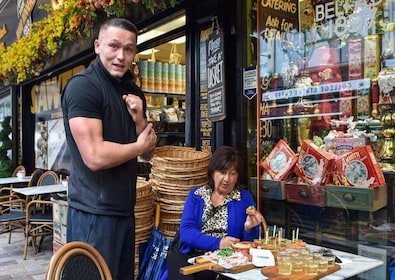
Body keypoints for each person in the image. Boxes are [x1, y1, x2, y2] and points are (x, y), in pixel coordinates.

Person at [61, 17, 157, 279]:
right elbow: (94, 156)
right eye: (113, 46)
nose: (121, 56)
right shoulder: (84, 87)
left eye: (128, 49)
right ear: (97, 46)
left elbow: (148, 152)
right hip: (93, 212)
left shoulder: (132, 91)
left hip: (124, 212)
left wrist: (139, 121)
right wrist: (137, 147)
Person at [167, 146, 264, 280]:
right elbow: (186, 232)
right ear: (212, 172)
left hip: (226, 259)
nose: (227, 179)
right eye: (222, 172)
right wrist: (218, 243)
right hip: (193, 255)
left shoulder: (244, 198)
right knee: (175, 261)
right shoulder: (196, 196)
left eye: (233, 173)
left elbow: (251, 243)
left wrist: (249, 228)